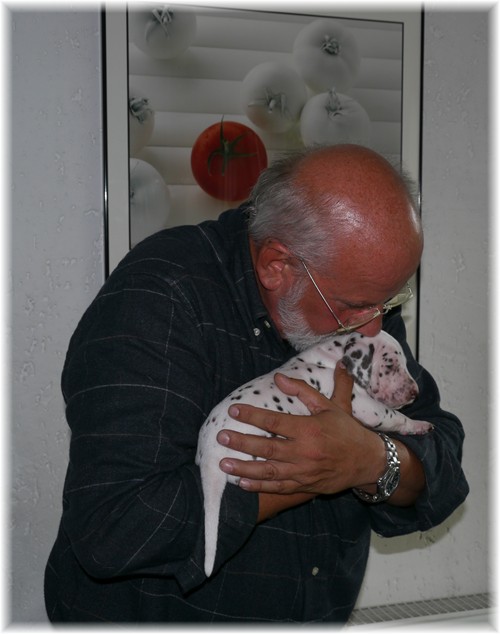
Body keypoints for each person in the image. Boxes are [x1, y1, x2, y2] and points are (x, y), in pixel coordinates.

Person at [44, 144, 468, 623]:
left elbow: (442, 460)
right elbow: (115, 529)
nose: (374, 327)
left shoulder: (358, 300)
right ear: (276, 266)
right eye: (356, 306)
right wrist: (313, 471)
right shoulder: (161, 296)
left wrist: (370, 460)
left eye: (388, 304)